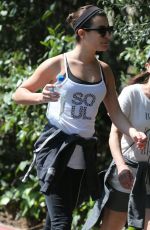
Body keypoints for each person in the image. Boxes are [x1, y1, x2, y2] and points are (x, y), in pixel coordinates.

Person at [12, 5, 147, 230]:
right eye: (102, 31)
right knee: (62, 223)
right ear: (82, 33)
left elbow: (115, 112)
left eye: (109, 29)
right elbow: (19, 94)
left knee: (56, 220)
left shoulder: (105, 70)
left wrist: (133, 132)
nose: (108, 36)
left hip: (83, 154)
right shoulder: (58, 63)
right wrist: (40, 97)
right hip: (55, 151)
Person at [82, 54, 150, 230]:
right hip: (127, 174)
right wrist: (121, 167)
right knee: (112, 226)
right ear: (148, 66)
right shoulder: (133, 93)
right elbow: (114, 134)